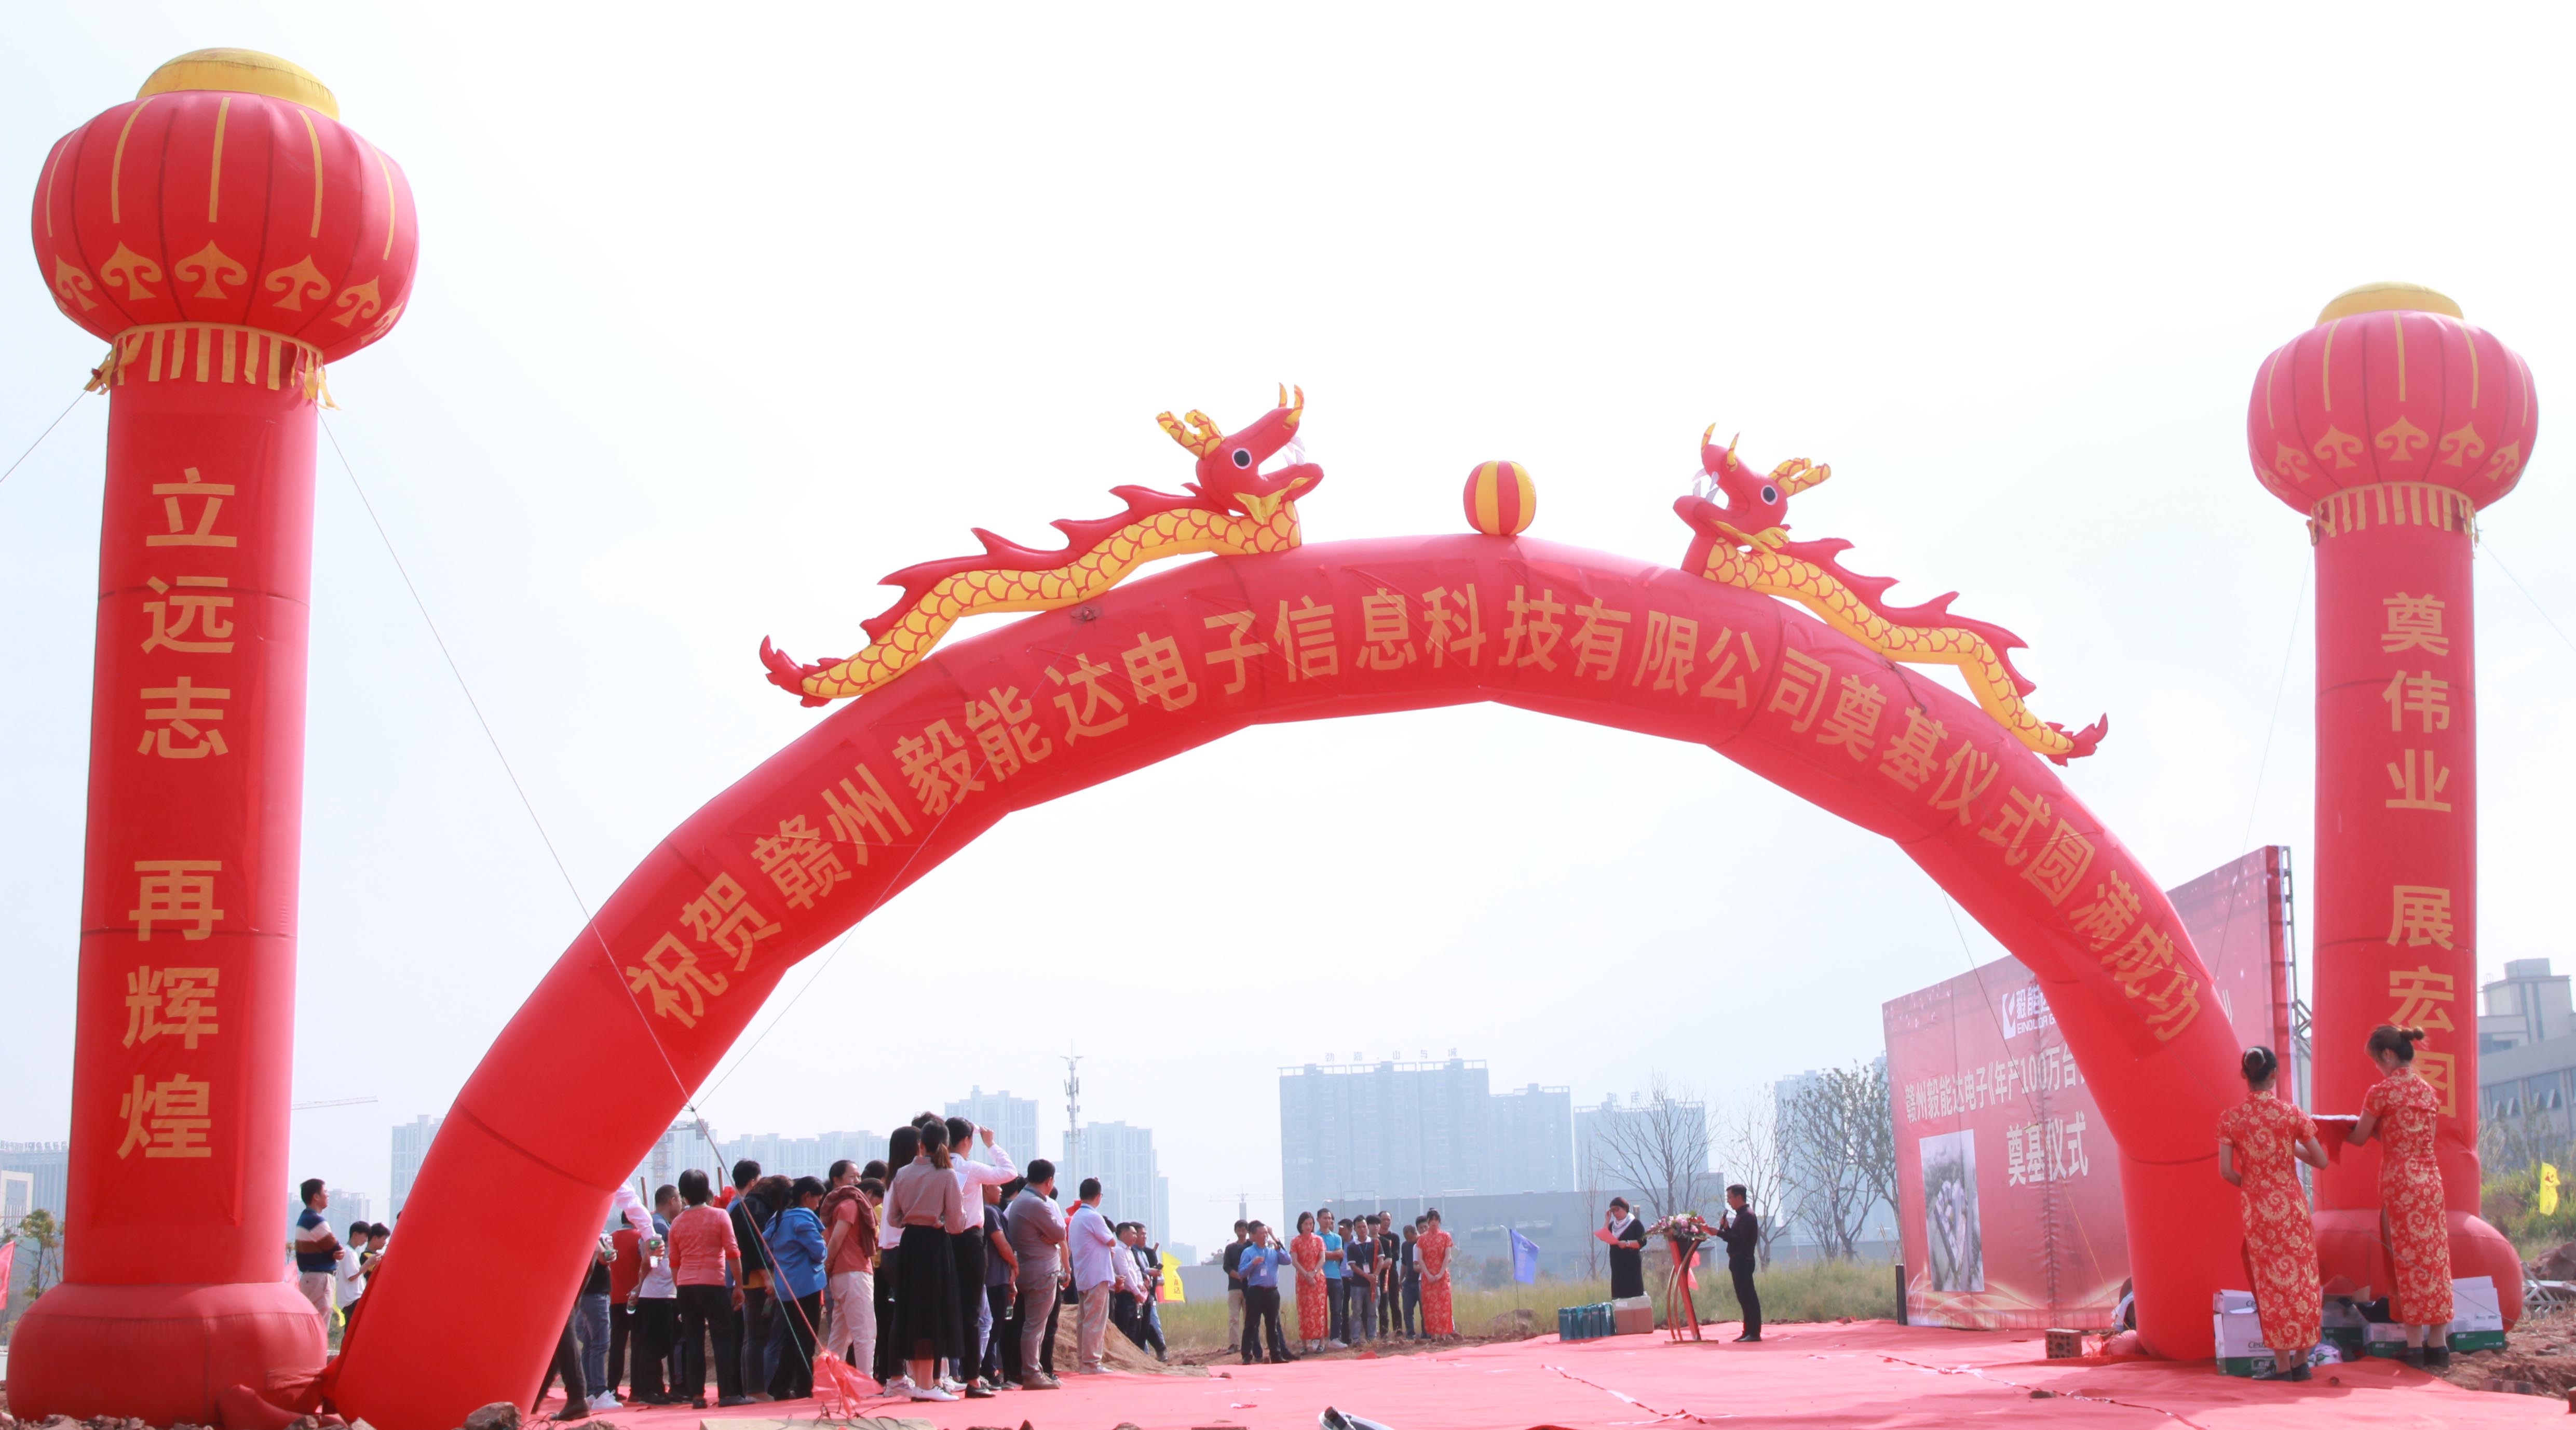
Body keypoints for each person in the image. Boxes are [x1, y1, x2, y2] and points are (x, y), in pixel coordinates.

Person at [2217, 1045, 2328, 1382]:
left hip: (2259, 1210)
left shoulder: (2232, 1119)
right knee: (2302, 1279)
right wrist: (2289, 1148)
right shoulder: (2291, 1114)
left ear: (2244, 1075)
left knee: (2271, 1283)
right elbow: (2321, 1160)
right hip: (2292, 1206)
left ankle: (2281, 1366)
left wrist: (2254, 1187)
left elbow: (2226, 1172)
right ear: (2275, 1074)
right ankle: (2302, 1362)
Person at [2349, 1023, 2454, 1369]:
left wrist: (2340, 1128)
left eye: (2377, 1061)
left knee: (2405, 1262)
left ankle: (2413, 1346)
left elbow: (2359, 1137)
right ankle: (2438, 1345)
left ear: (2388, 1055)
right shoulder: (2428, 1092)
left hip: (2401, 1185)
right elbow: (2425, 1139)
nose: (2378, 1069)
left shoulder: (2381, 1093)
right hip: (2430, 1182)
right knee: (2435, 1260)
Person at [884, 1119, 966, 1400]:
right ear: (946, 1145)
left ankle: (923, 1382)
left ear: (921, 1144)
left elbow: (893, 1219)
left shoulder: (902, 1173)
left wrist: (914, 1216)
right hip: (934, 1245)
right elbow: (957, 1225)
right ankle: (927, 1385)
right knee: (934, 1312)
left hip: (910, 1245)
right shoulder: (947, 1175)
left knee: (914, 1311)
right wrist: (938, 1218)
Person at [943, 1117, 1018, 1397]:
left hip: (942, 1240)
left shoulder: (938, 1167)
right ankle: (972, 1378)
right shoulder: (969, 1167)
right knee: (972, 1312)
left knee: (943, 1307)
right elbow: (1009, 1173)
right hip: (970, 1241)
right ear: (967, 1141)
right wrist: (991, 1145)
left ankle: (942, 1377)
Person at [669, 1167, 752, 1408]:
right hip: (713, 1283)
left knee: (693, 1340)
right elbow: (733, 1253)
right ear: (707, 1191)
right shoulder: (720, 1216)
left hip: (686, 1285)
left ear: (683, 1195)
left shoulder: (677, 1223)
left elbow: (674, 1262)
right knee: (722, 1339)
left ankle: (697, 1395)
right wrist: (739, 1286)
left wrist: (679, 1287)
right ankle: (727, 1394)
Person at [762, 1176, 828, 1400]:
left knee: (789, 1337)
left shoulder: (778, 1218)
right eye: (817, 1200)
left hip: (785, 1285)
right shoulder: (803, 1218)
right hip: (807, 1284)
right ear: (807, 1196)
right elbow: (819, 1251)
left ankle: (782, 1386)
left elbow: (767, 1251)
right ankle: (803, 1386)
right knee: (806, 1338)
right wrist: (823, 1251)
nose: (817, 1205)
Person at [1005, 1158, 1067, 1389]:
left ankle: (1033, 1370)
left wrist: (1051, 1236)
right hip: (1041, 1272)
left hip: (1027, 1268)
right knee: (1035, 1325)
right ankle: (1031, 1372)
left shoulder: (1022, 1200)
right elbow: (1060, 1232)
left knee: (1032, 1324)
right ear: (1049, 1181)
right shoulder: (1037, 1204)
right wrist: (1051, 1237)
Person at [818, 1161, 879, 1385]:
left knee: (841, 1335)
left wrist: (829, 1267)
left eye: (858, 1177)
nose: (857, 1181)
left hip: (842, 1275)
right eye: (852, 1177)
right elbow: (835, 1241)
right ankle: (866, 1383)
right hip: (854, 1273)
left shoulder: (835, 1205)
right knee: (865, 1333)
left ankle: (831, 1382)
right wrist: (828, 1264)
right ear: (837, 1180)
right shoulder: (851, 1204)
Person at [630, 1185, 681, 1405]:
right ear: (671, 1201)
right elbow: (649, 1258)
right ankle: (648, 1389)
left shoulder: (660, 1223)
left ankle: (656, 1388)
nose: (681, 1204)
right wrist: (643, 1280)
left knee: (659, 1343)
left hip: (661, 1292)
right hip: (657, 1294)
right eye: (679, 1199)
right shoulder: (658, 1226)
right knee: (655, 1344)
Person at [874, 1133, 916, 1388]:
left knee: (902, 1316)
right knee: (904, 1318)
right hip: (901, 1252)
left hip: (891, 1253)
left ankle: (899, 1375)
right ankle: (897, 1376)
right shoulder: (904, 1178)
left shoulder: (893, 1179)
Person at [1066, 1178, 1121, 1374]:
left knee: (1085, 1319)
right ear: (1099, 1197)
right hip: (1096, 1274)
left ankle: (1084, 1360)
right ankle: (1091, 1362)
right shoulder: (1093, 1217)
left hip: (1084, 1275)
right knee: (1095, 1320)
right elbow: (1111, 1241)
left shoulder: (1076, 1218)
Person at [1235, 1221, 1294, 1362]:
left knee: (1273, 1325)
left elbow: (1288, 1260)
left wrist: (1279, 1248)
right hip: (1256, 1291)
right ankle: (1247, 1355)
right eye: (1262, 1234)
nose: (1265, 1236)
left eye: (1266, 1233)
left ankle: (1276, 1355)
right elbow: (1241, 1273)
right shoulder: (1248, 1252)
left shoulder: (1273, 1250)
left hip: (1272, 1292)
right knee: (1251, 1324)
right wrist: (1253, 1263)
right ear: (1254, 1236)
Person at [978, 1184, 1018, 1384]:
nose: (1001, 1189)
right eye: (997, 1185)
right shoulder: (989, 1212)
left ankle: (989, 1370)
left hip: (995, 1277)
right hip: (995, 1279)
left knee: (992, 1328)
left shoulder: (988, 1210)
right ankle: (987, 1372)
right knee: (991, 1329)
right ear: (986, 1188)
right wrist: (1015, 1265)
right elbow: (1001, 1243)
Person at [1715, 1185, 1761, 1342]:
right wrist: (1727, 1229)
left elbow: (1740, 1240)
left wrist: (1719, 1233)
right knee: (1743, 1298)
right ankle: (1748, 1331)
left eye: (1730, 1198)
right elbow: (1735, 1237)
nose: (1729, 1201)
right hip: (1737, 1261)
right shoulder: (1741, 1215)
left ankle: (1754, 1332)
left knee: (1749, 1297)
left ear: (1739, 1197)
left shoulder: (1748, 1216)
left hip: (1743, 1260)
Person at [292, 1181, 340, 1322]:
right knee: (319, 1324)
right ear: (316, 1197)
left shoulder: (305, 1219)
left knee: (310, 1323)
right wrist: (338, 1252)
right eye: (325, 1192)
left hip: (311, 1279)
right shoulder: (315, 1221)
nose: (328, 1195)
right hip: (320, 1279)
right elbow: (336, 1249)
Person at [1288, 1212, 1328, 1352]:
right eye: (1306, 1224)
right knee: (1304, 1310)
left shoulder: (1319, 1240)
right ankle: (1305, 1344)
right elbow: (1294, 1261)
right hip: (1303, 1279)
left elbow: (1322, 1259)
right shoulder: (1295, 1241)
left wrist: (1314, 1273)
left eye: (1311, 1224)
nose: (1308, 1226)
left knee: (1320, 1310)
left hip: (1318, 1279)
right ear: (1301, 1225)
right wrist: (1306, 1275)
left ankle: (1321, 1342)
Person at [1597, 1198, 1647, 1301]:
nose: (1616, 1213)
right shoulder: (1612, 1226)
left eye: (1617, 1210)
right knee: (1619, 1296)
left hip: (1631, 1264)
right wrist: (1607, 1220)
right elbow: (1603, 1236)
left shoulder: (1635, 1224)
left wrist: (1627, 1244)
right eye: (1613, 1211)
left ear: (1625, 1208)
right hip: (1617, 1265)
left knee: (1634, 1295)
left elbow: (1642, 1242)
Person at [1417, 1209, 1455, 1339]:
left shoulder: (1446, 1237)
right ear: (1428, 1221)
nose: (1433, 1222)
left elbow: (1447, 1257)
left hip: (1442, 1277)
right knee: (1430, 1307)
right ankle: (1433, 1335)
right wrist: (1428, 1274)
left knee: (1444, 1305)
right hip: (1428, 1277)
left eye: (1436, 1220)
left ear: (1439, 1221)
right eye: (1431, 1220)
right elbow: (1420, 1258)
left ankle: (1443, 1335)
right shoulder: (1422, 1239)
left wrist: (1440, 1274)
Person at [332, 1222, 372, 1336]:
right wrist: (368, 1264)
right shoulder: (348, 1252)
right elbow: (352, 1276)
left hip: (351, 1299)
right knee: (354, 1332)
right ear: (355, 1235)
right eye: (364, 1236)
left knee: (351, 1332)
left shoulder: (351, 1252)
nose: (366, 1240)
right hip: (352, 1298)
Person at [1341, 1217, 1376, 1343]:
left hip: (1373, 1284)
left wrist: (1375, 1276)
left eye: (1364, 1227)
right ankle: (1356, 1338)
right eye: (1359, 1227)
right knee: (1356, 1312)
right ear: (1355, 1229)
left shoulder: (1375, 1243)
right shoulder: (1352, 1247)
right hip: (1357, 1284)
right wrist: (1367, 1276)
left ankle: (1372, 1337)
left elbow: (1381, 1260)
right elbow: (1353, 1265)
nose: (1362, 1229)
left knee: (1373, 1312)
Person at [1319, 1209, 1348, 1346]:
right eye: (1325, 1218)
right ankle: (1318, 1339)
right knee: (1320, 1310)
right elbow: (1316, 1256)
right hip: (1320, 1278)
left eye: (1329, 1218)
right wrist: (1332, 1254)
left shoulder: (1337, 1238)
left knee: (1337, 1310)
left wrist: (1324, 1254)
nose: (1328, 1221)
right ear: (1319, 1220)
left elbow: (1340, 1254)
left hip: (1336, 1278)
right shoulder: (1315, 1238)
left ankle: (1335, 1338)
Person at [1222, 1220, 1251, 1351]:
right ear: (1235, 1231)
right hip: (1234, 1287)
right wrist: (1239, 1276)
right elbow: (1226, 1267)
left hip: (1250, 1287)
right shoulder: (1230, 1248)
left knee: (1249, 1317)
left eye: (1244, 1230)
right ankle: (1234, 1344)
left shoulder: (1251, 1246)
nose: (1241, 1233)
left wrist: (1246, 1275)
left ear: (1247, 1231)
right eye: (1239, 1230)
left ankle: (1249, 1343)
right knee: (1234, 1317)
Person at [1376, 1216, 1402, 1339]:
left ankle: (1398, 1330)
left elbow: (1396, 1256)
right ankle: (1384, 1331)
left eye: (1388, 1220)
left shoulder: (1394, 1237)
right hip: (1379, 1274)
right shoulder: (1375, 1238)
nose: (1386, 1222)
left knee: (1394, 1302)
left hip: (1392, 1272)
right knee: (1382, 1303)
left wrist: (1386, 1257)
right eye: (1384, 1220)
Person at [1401, 1220, 1422, 1337]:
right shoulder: (1405, 1246)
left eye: (1410, 1238)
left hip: (1421, 1281)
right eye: (1406, 1238)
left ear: (1415, 1234)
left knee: (1424, 1309)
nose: (1409, 1241)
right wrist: (1400, 1280)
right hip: (1408, 1281)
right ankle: (1410, 1333)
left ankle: (1426, 1333)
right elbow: (1404, 1264)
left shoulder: (1422, 1243)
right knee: (1407, 1309)